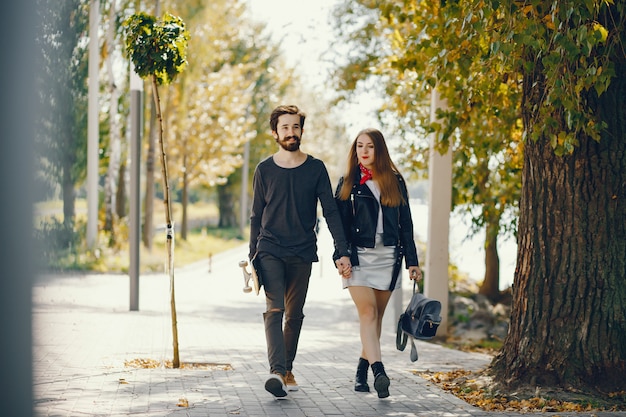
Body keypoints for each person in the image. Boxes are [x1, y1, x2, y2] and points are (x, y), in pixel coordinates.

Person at [249, 104, 353, 399]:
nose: (291, 132)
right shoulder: (264, 170)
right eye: (285, 127)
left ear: (301, 130)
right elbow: (256, 215)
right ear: (275, 133)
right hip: (269, 247)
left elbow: (331, 212)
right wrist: (252, 254)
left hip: (303, 249)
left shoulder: (316, 168)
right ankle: (276, 371)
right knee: (275, 309)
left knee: (294, 315)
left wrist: (341, 251)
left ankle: (286, 369)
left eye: (295, 127)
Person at [333, 127, 422, 398]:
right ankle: (379, 372)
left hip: (389, 258)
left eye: (369, 146)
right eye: (359, 146)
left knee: (376, 319)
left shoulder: (395, 181)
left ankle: (361, 371)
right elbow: (339, 226)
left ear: (379, 150)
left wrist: (412, 261)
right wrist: (341, 255)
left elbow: (406, 224)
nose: (364, 151)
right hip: (357, 258)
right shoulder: (348, 182)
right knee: (368, 314)